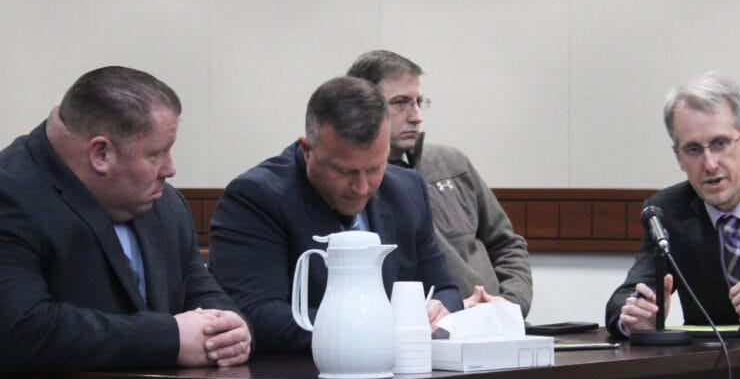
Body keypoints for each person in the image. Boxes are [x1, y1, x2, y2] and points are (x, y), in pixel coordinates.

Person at [0, 66, 251, 379]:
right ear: (101, 154)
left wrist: (228, 327)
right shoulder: (11, 194)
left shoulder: (161, 203)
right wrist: (170, 338)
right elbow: (24, 329)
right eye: (158, 153)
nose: (171, 169)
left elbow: (200, 288)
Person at [209, 76, 463, 353]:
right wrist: (379, 328)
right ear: (307, 151)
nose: (362, 187)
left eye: (376, 168)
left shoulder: (407, 189)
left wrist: (438, 311)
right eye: (345, 171)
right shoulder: (256, 197)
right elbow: (258, 316)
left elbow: (445, 290)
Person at [605, 71, 740, 339]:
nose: (710, 164)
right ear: (678, 157)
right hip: (720, 370)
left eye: (720, 144)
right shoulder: (668, 212)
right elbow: (626, 296)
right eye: (693, 149)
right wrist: (635, 317)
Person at [346, 50, 533, 317]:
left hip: (496, 323)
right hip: (429, 332)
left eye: (419, 102)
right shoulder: (355, 186)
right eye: (401, 103)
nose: (417, 116)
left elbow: (506, 244)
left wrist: (510, 304)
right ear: (364, 107)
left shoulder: (452, 163)